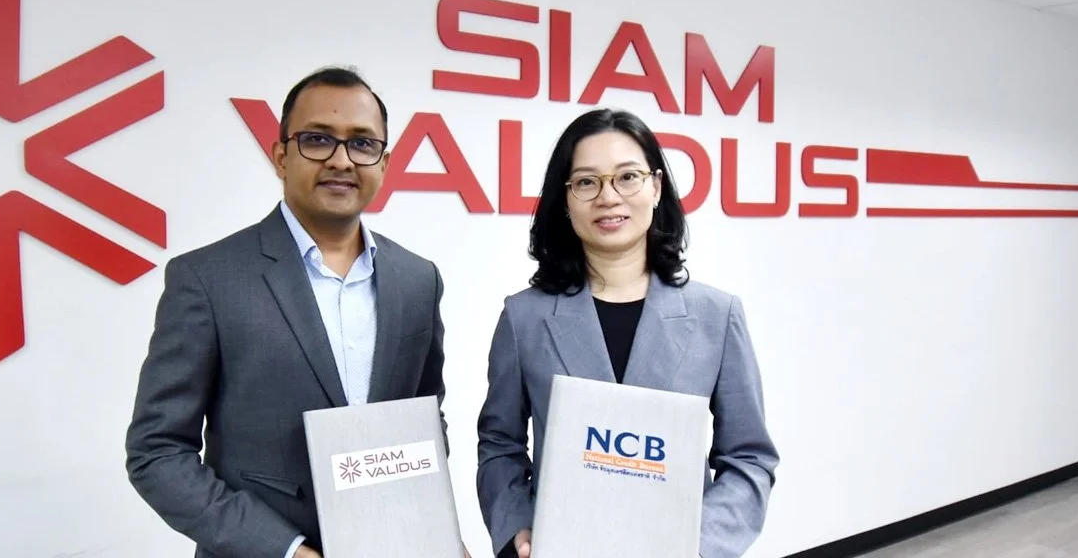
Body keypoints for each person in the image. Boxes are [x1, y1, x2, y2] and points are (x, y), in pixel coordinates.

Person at [126, 66, 453, 558]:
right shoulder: (208, 279)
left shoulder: (418, 279)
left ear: (384, 163)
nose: (342, 160)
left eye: (362, 144)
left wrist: (436, 534)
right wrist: (286, 551)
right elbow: (157, 453)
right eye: (318, 139)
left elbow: (425, 422)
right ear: (281, 156)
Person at [474, 108, 779, 558]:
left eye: (627, 177)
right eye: (586, 182)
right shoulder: (524, 318)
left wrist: (698, 547)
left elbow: (749, 458)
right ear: (565, 200)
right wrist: (515, 525)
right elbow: (500, 445)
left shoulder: (717, 314)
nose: (608, 197)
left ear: (656, 187)